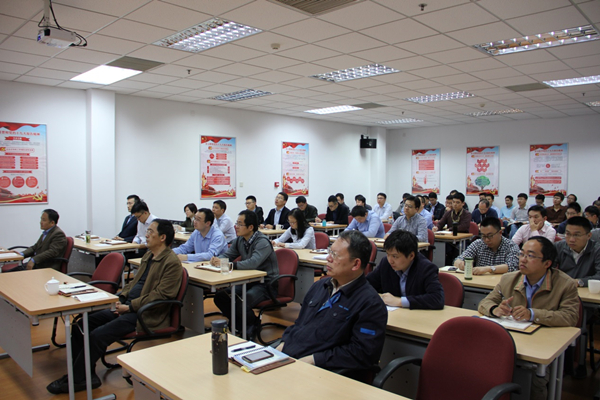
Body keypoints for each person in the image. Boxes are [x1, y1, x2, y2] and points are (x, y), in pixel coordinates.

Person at [46, 219, 183, 394]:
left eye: (150, 232)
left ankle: (77, 379)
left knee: (97, 335)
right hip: (128, 306)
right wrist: (121, 298)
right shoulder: (149, 256)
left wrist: (130, 307)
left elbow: (162, 296)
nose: (146, 235)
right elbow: (133, 283)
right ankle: (84, 374)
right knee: (80, 324)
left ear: (162, 237)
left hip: (145, 314)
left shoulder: (171, 262)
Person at [478, 236, 578, 400]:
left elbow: (570, 316)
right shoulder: (509, 279)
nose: (523, 259)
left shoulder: (565, 284)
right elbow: (485, 302)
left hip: (542, 345)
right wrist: (495, 309)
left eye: (530, 256)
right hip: (511, 339)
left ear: (547, 263)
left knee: (534, 383)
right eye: (522, 254)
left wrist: (533, 314)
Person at [280, 230, 387, 371]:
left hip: (319, 370)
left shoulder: (370, 304)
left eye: (335, 255)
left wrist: (314, 360)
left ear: (355, 264)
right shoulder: (320, 286)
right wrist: (281, 346)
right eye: (330, 252)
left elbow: (362, 353)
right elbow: (300, 324)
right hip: (291, 357)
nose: (328, 258)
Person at [211, 210, 279, 339]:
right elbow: (229, 255)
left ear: (250, 227)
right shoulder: (240, 240)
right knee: (221, 297)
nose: (236, 226)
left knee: (243, 302)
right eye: (236, 223)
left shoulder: (262, 242)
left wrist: (229, 265)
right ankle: (240, 323)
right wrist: (218, 260)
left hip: (266, 284)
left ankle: (252, 325)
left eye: (240, 224)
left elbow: (253, 263)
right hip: (248, 281)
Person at [367, 230, 444, 310]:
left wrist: (400, 301)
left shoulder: (426, 268)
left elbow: (437, 298)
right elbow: (367, 284)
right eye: (388, 254)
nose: (390, 260)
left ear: (411, 256)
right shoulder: (386, 263)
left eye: (395, 256)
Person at [455, 217, 520, 275]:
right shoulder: (478, 243)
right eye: (483, 236)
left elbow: (512, 266)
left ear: (500, 233)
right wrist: (460, 263)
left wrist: (488, 269)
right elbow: (458, 260)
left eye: (490, 236)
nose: (486, 240)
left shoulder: (511, 246)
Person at [555, 216, 600, 287]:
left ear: (589, 235)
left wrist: (579, 282)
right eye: (568, 234)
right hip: (563, 288)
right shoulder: (558, 247)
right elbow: (548, 271)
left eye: (576, 235)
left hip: (587, 291)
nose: (571, 239)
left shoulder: (597, 250)